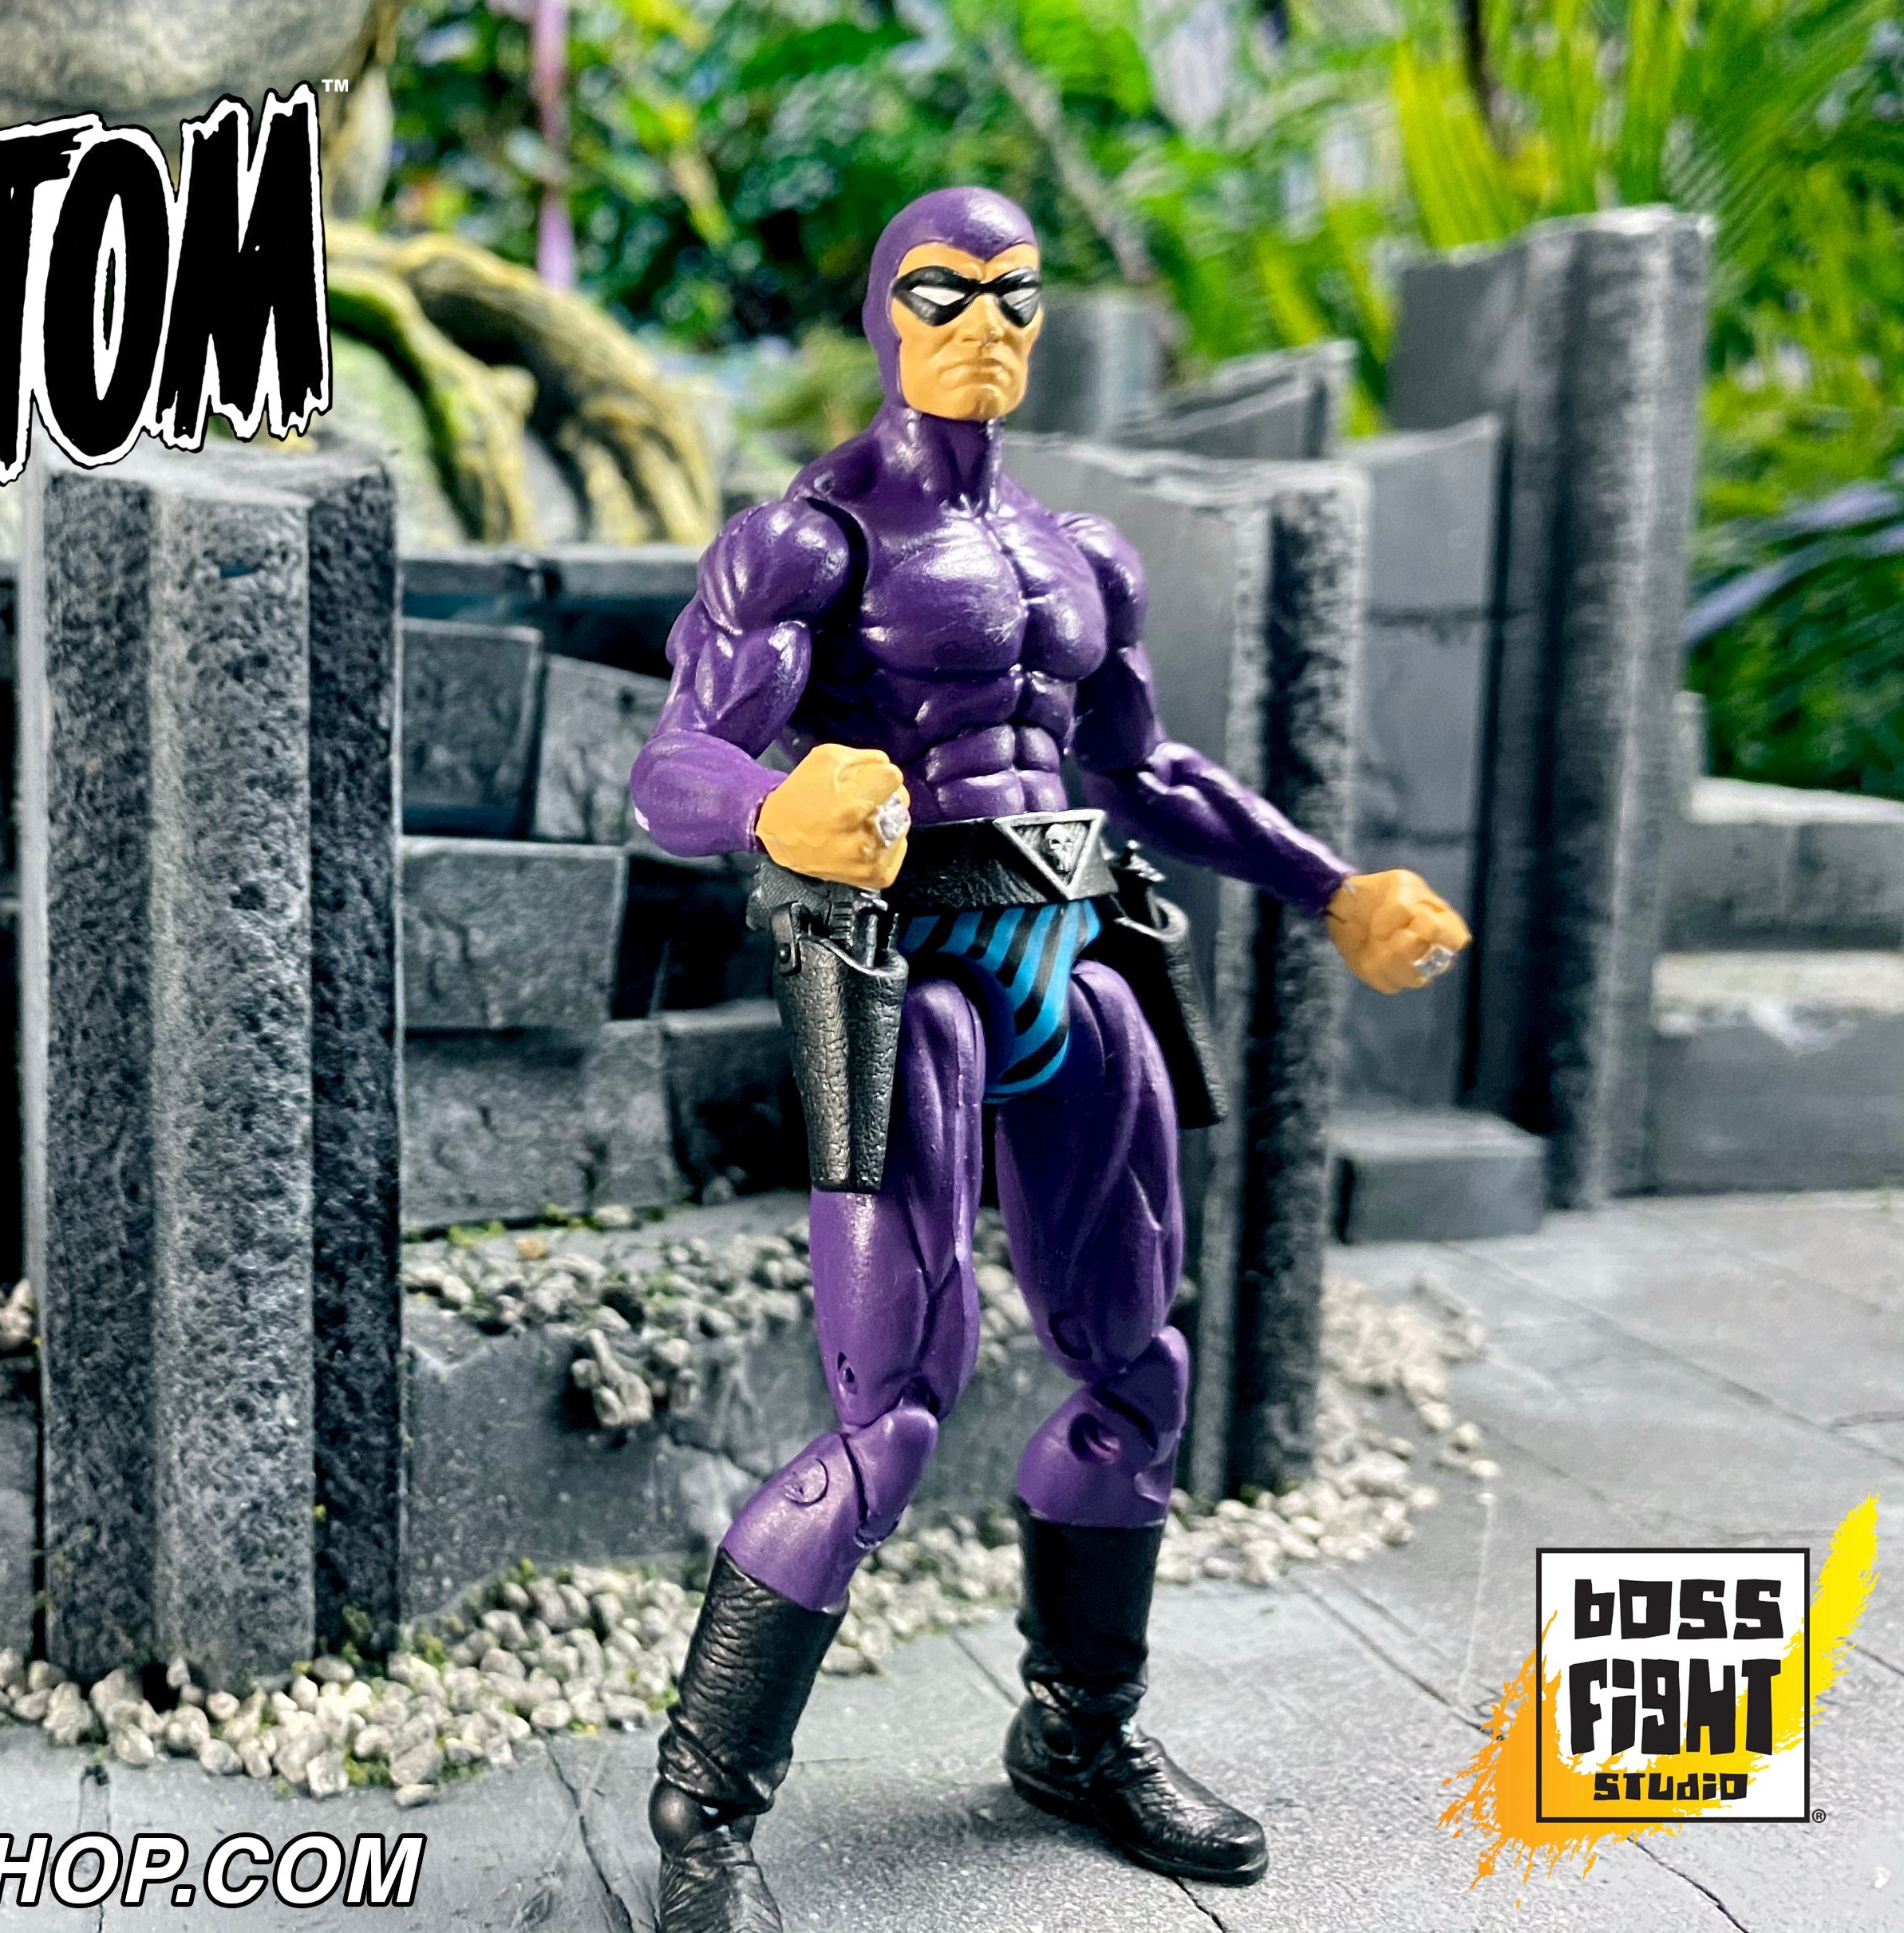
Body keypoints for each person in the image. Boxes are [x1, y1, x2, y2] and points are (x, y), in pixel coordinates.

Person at [626, 185, 1470, 1933]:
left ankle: (1078, 1735)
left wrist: (1335, 888)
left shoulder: (1082, 554)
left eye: (1014, 295)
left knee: (1137, 1367)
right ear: (884, 312)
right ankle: (702, 1805)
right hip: (904, 975)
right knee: (888, 1413)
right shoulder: (806, 543)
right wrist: (776, 799)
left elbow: (1146, 770)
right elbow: (668, 767)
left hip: (1072, 958)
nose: (984, 326)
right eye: (944, 291)